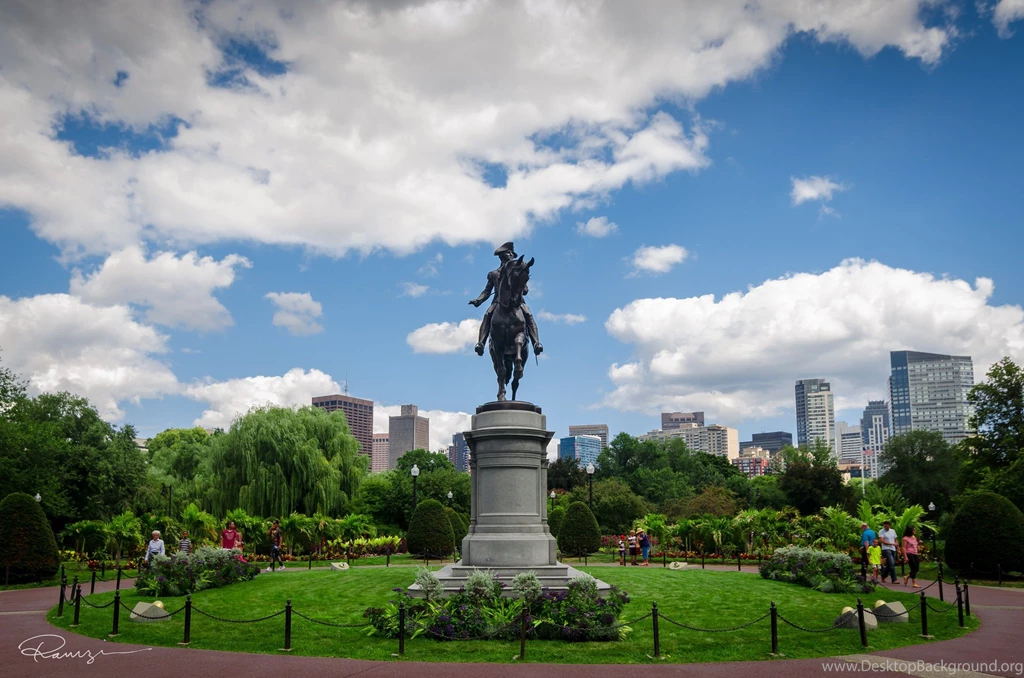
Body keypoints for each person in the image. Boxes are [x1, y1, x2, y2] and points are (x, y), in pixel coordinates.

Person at [469, 242, 542, 356]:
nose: (511, 255)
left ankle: (536, 343)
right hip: (498, 302)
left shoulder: (517, 270)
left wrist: (523, 288)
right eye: (509, 253)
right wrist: (479, 300)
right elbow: (487, 291)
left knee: (528, 314)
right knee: (488, 315)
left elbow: (524, 288)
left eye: (512, 253)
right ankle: (481, 343)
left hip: (517, 302)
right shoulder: (494, 274)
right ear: (502, 256)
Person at [878, 519, 899, 584]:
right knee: (892, 564)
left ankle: (883, 575)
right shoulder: (881, 531)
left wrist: (898, 548)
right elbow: (882, 541)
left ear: (889, 526)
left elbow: (895, 540)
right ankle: (894, 579)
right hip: (886, 549)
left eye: (887, 526)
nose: (885, 527)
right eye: (884, 526)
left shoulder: (893, 531)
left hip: (893, 549)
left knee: (890, 565)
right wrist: (892, 544)